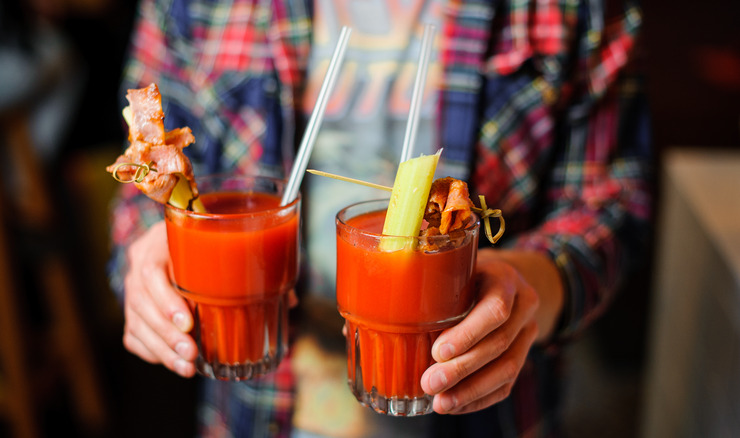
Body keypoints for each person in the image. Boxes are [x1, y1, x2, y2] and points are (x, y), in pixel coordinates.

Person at [107, 0, 651, 436]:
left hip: (489, 416)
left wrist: (535, 285)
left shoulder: (576, 8)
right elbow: (141, 190)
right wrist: (146, 251)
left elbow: (614, 201)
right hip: (251, 409)